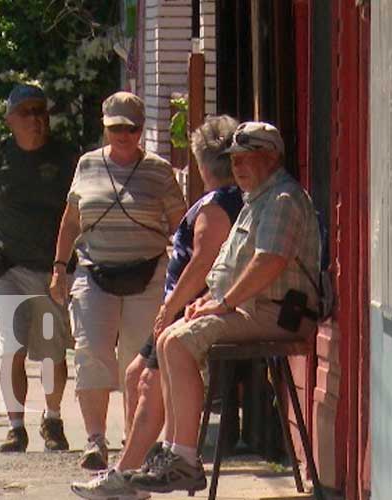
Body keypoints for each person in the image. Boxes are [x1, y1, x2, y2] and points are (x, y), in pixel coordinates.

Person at [125, 121, 321, 495]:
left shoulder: (282, 198)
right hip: (251, 308)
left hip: (278, 313)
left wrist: (223, 303)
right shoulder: (255, 199)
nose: (240, 167)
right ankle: (175, 453)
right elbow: (232, 266)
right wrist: (208, 300)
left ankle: (183, 459)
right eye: (235, 160)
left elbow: (269, 262)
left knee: (180, 342)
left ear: (273, 158)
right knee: (171, 338)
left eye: (250, 158)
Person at [70, 115, 243, 499]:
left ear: (202, 162)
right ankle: (135, 472)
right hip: (185, 304)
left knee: (147, 381)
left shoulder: (217, 206)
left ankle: (127, 476)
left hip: (190, 308)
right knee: (135, 374)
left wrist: (171, 308)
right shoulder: (225, 200)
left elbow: (202, 264)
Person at [50, 91, 186, 471]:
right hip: (95, 271)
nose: (123, 134)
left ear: (141, 130)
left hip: (148, 272)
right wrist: (60, 267)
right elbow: (72, 220)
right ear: (105, 127)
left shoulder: (159, 171)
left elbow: (180, 224)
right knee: (91, 350)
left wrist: (184, 269)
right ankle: (95, 439)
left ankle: (134, 440)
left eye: (131, 128)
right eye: (115, 128)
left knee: (136, 359)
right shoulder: (87, 165)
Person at [0, 84, 77, 453]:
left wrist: (69, 263)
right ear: (10, 120)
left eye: (40, 110)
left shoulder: (67, 157)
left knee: (53, 351)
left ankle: (52, 419)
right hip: (4, 266)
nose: (36, 119)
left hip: (52, 268)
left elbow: (78, 212)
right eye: (27, 112)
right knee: (12, 347)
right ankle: (15, 425)